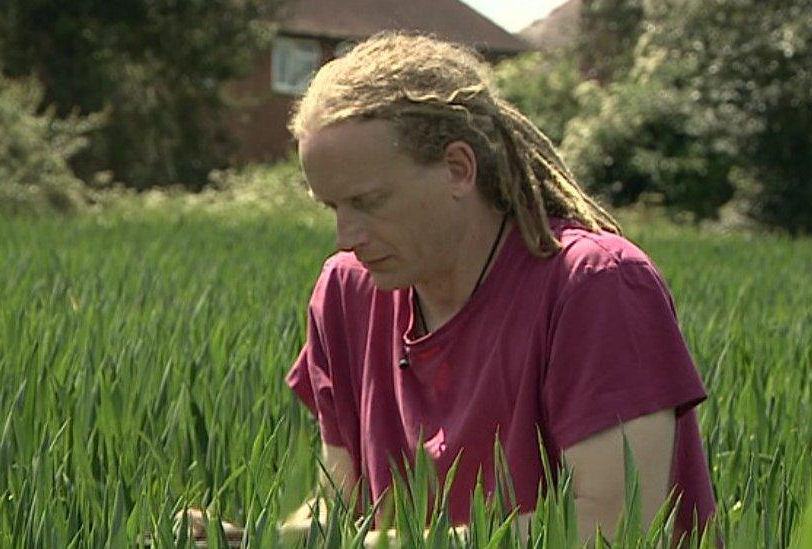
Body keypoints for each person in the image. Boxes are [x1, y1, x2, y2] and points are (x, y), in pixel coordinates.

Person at [184, 31, 717, 547]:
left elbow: (616, 526)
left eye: (369, 202)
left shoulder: (595, 285)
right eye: (332, 207)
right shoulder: (347, 292)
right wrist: (263, 540)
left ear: (458, 168)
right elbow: (343, 503)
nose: (347, 237)